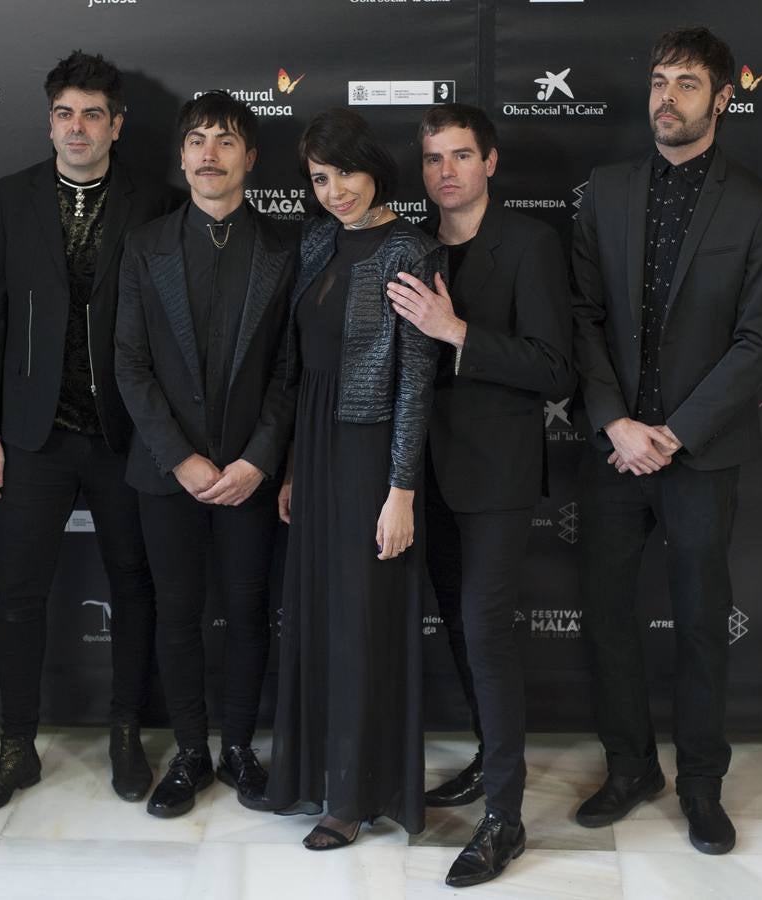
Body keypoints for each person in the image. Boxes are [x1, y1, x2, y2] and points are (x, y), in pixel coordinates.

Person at [570, 26, 762, 855]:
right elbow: (583, 318)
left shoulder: (757, 203)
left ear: (723, 97)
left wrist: (673, 433)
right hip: (611, 450)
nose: (667, 96)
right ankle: (629, 768)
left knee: (700, 622)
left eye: (687, 83)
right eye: (659, 80)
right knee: (606, 617)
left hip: (701, 455)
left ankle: (700, 783)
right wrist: (616, 423)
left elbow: (759, 340)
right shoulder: (605, 189)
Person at [0, 50, 169, 818]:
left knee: (134, 587)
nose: (75, 127)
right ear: (49, 122)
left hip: (124, 435)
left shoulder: (153, 199)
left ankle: (124, 733)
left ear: (116, 125)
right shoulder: (12, 196)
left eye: (90, 114)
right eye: (62, 113)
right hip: (32, 435)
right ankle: (16, 748)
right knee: (17, 596)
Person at [386, 103, 575, 887]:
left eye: (460, 156)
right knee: (460, 636)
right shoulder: (410, 244)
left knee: (484, 633)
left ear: (489, 163)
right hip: (417, 472)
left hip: (493, 475)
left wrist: (456, 330)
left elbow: (553, 368)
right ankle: (482, 762)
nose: (446, 172)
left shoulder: (529, 242)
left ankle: (504, 816)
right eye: (433, 159)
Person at [114, 90, 297, 819]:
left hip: (252, 476)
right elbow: (129, 363)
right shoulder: (145, 245)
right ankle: (190, 754)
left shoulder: (286, 249)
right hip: (168, 477)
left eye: (225, 141)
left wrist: (257, 459)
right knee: (179, 615)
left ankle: (241, 752)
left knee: (250, 614)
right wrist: (180, 459)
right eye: (196, 140)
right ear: (181, 155)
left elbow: (292, 370)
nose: (209, 154)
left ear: (249, 157)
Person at [266, 108, 443, 850]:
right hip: (316, 444)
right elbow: (296, 363)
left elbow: (416, 380)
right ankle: (310, 776)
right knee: (316, 616)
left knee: (361, 624)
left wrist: (400, 490)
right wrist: (289, 466)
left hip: (372, 452)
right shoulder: (317, 242)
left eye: (343, 172)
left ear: (374, 167)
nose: (333, 190)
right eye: (318, 178)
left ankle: (354, 794)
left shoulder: (411, 248)